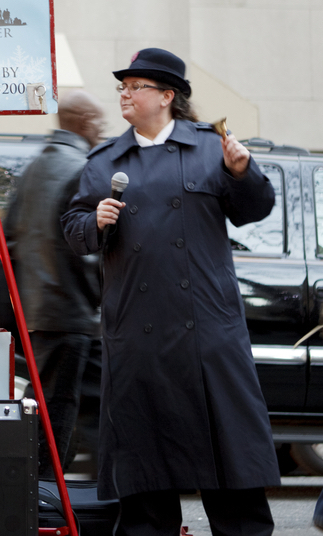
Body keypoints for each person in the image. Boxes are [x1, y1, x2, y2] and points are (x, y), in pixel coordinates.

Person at [61, 48, 279, 536]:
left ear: (167, 96)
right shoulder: (105, 161)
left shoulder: (212, 147)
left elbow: (255, 209)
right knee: (145, 478)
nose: (125, 93)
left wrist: (243, 172)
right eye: (122, 86)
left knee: (231, 465)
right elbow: (73, 230)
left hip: (208, 333)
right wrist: (93, 222)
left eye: (136, 86)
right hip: (137, 335)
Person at [5, 90, 105, 479]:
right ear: (82, 121)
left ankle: (50, 485)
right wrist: (99, 298)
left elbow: (12, 235)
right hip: (73, 311)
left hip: (39, 308)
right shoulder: (81, 168)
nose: (101, 129)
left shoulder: (34, 167)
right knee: (60, 406)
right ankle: (45, 491)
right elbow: (87, 247)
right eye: (98, 122)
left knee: (56, 402)